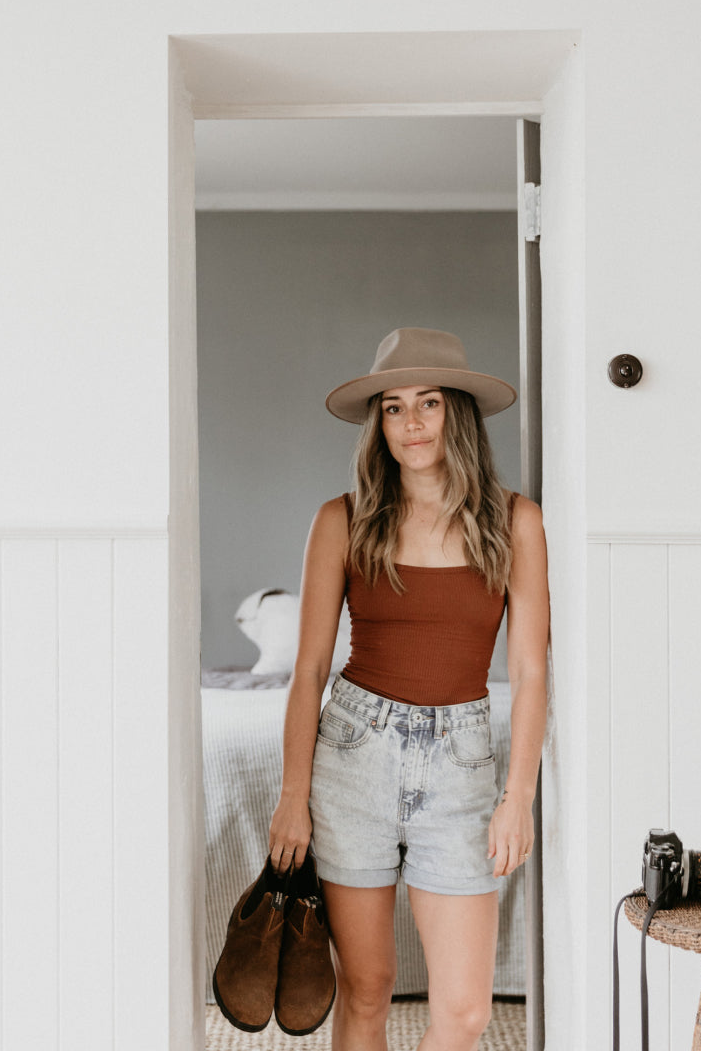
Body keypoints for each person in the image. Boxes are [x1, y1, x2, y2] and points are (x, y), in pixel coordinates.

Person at [268, 327, 549, 1051]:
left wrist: (518, 795)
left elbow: (529, 670)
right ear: (378, 424)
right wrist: (292, 796)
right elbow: (308, 670)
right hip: (352, 755)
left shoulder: (516, 522)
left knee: (464, 1013)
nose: (411, 422)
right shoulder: (342, 519)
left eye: (428, 403)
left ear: (458, 413)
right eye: (393, 407)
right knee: (365, 992)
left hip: (461, 760)